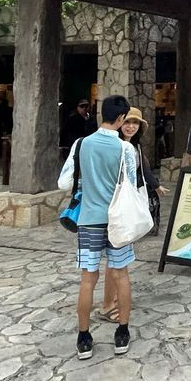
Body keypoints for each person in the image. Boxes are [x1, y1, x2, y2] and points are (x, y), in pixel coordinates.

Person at [57, 95, 138, 360]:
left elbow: (64, 183)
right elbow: (131, 184)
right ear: (121, 118)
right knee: (121, 275)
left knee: (88, 278)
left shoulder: (81, 144)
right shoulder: (125, 149)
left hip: (89, 219)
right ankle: (122, 332)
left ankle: (84, 337)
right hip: (117, 221)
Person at [98, 107, 170, 322]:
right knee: (115, 258)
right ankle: (108, 304)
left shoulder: (135, 146)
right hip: (115, 205)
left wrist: (155, 185)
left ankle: (112, 300)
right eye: (128, 122)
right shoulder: (115, 145)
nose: (131, 126)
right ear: (120, 122)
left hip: (128, 204)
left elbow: (143, 170)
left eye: (135, 123)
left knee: (117, 258)